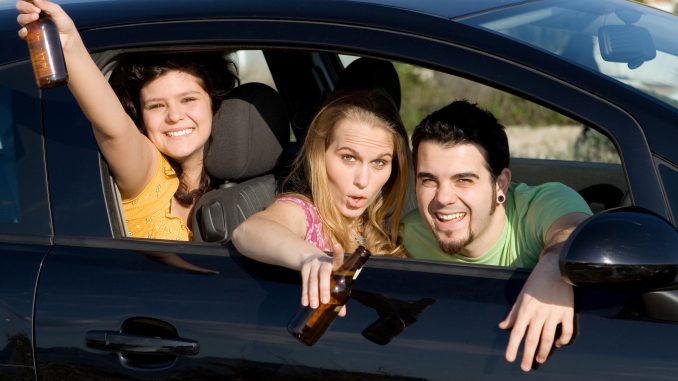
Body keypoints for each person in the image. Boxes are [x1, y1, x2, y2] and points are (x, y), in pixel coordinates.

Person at [15, 0, 237, 240]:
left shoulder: (249, 180)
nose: (174, 116)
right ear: (141, 114)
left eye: (188, 100)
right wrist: (68, 44)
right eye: (157, 105)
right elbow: (115, 129)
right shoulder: (149, 173)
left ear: (212, 103)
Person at [399, 100, 592, 371]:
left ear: (500, 183)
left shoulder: (540, 204)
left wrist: (554, 266)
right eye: (428, 180)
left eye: (463, 180)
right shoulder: (407, 235)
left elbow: (574, 231)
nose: (442, 198)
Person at [233, 89, 411, 315]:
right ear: (320, 154)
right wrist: (311, 258)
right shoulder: (305, 212)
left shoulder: (374, 222)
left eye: (379, 162)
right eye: (348, 157)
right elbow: (248, 231)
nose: (363, 181)